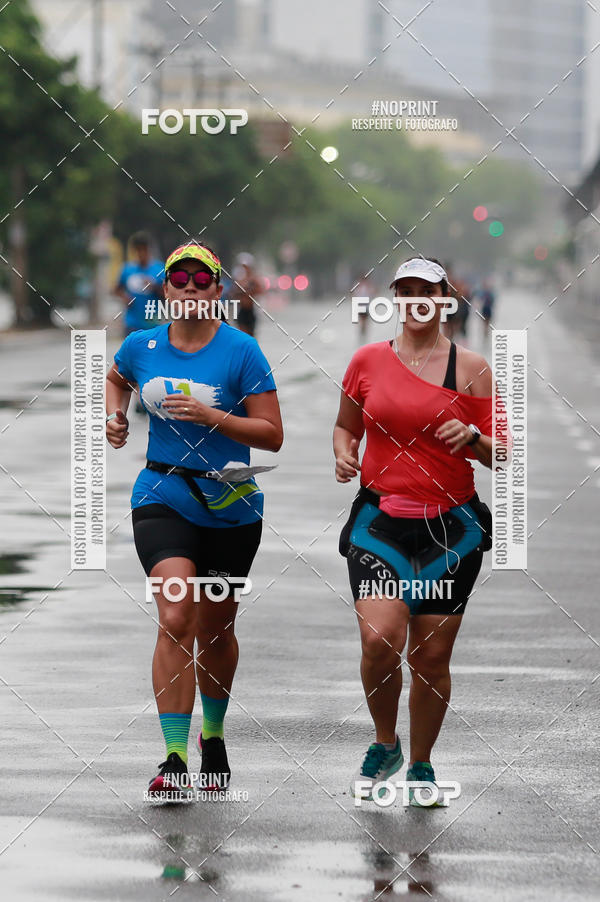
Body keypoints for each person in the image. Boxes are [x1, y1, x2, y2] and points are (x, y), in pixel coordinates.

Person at [106, 242, 283, 800]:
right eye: (176, 279)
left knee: (216, 627)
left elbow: (272, 434)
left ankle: (214, 735)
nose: (188, 288)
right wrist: (115, 415)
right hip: (161, 492)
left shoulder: (242, 351)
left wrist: (214, 417)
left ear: (217, 290)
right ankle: (175, 757)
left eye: (200, 280)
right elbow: (116, 377)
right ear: (164, 290)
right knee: (176, 614)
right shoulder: (142, 345)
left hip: (230, 504)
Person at [334, 256, 504, 806]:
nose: (416, 300)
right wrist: (345, 453)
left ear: (445, 297)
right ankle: (385, 741)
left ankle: (422, 765)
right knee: (379, 639)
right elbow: (345, 425)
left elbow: (503, 453)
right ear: (395, 300)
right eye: (405, 291)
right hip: (380, 521)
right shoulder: (367, 361)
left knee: (429, 657)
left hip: (450, 529)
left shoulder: (471, 367)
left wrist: (474, 437)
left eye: (426, 290)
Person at [114, 231, 164, 336]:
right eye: (138, 250)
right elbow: (116, 289)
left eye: (144, 250)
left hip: (152, 321)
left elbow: (167, 295)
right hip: (132, 322)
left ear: (149, 250)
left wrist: (154, 287)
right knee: (132, 350)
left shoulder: (160, 269)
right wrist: (125, 297)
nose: (141, 253)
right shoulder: (127, 270)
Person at [231, 253, 265, 337]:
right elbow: (232, 293)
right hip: (241, 310)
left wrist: (250, 290)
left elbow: (260, 291)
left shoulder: (254, 280)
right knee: (242, 335)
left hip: (251, 311)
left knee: (251, 336)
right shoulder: (239, 278)